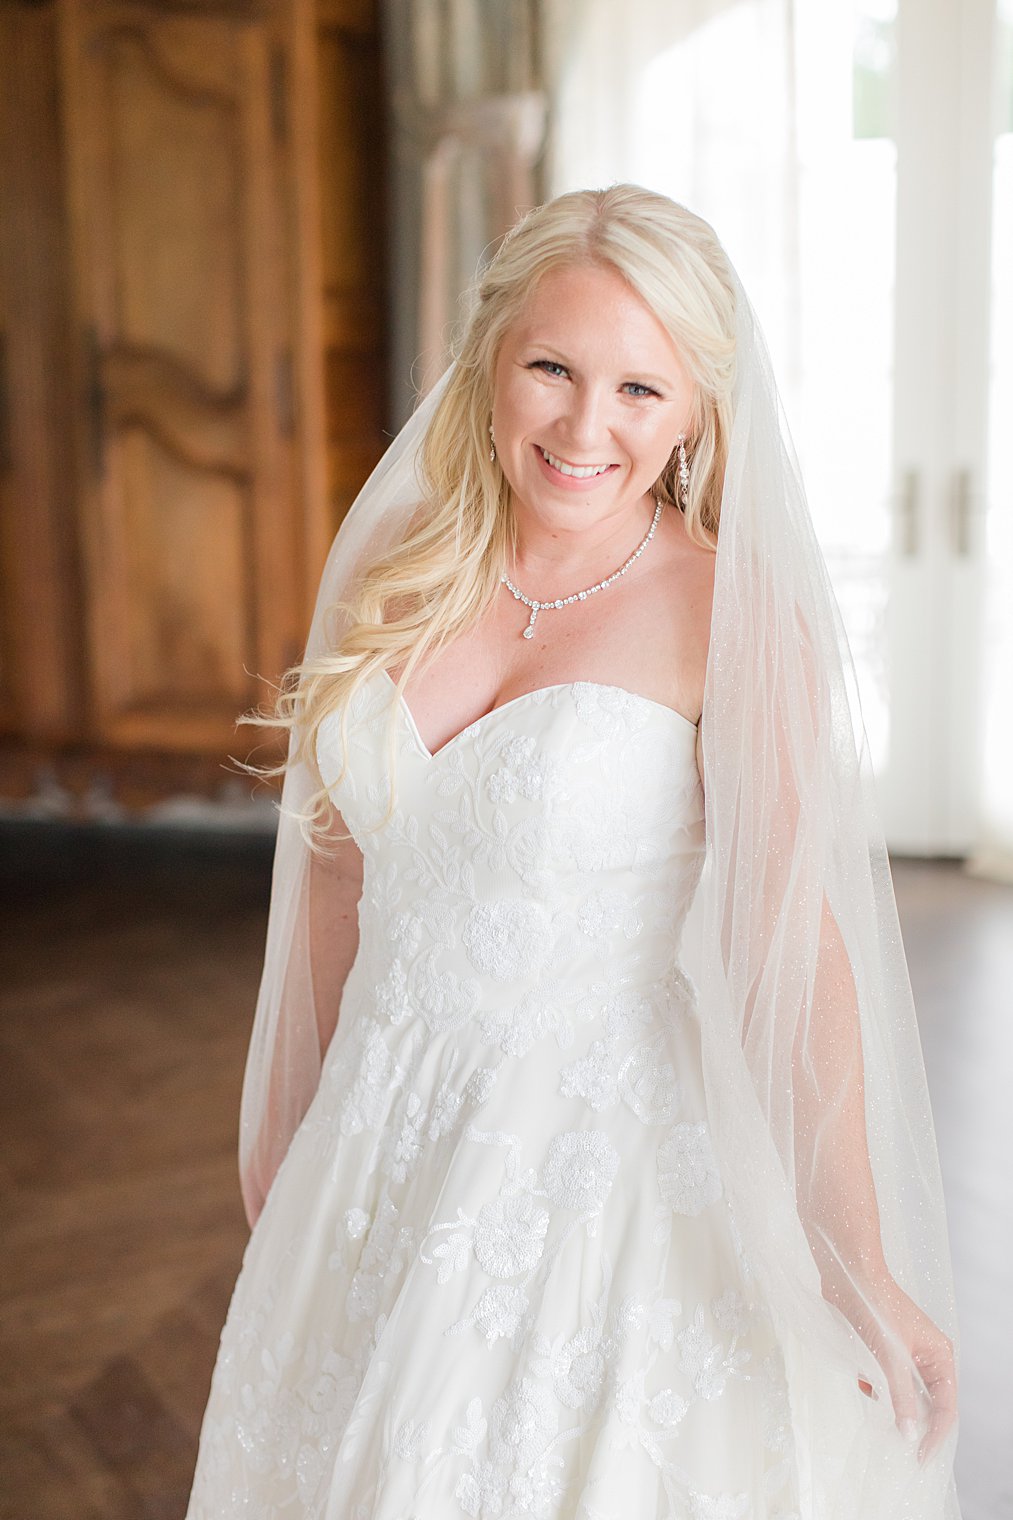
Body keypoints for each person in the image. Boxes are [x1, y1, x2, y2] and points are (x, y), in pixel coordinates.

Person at [185, 186, 961, 1519]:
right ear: (489, 353)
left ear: (697, 412)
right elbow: (335, 867)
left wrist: (852, 1247)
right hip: (373, 1141)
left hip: (591, 1169)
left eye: (639, 390)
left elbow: (784, 932)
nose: (584, 426)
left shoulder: (728, 611)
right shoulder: (395, 565)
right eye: (551, 366)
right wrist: (290, 1116)